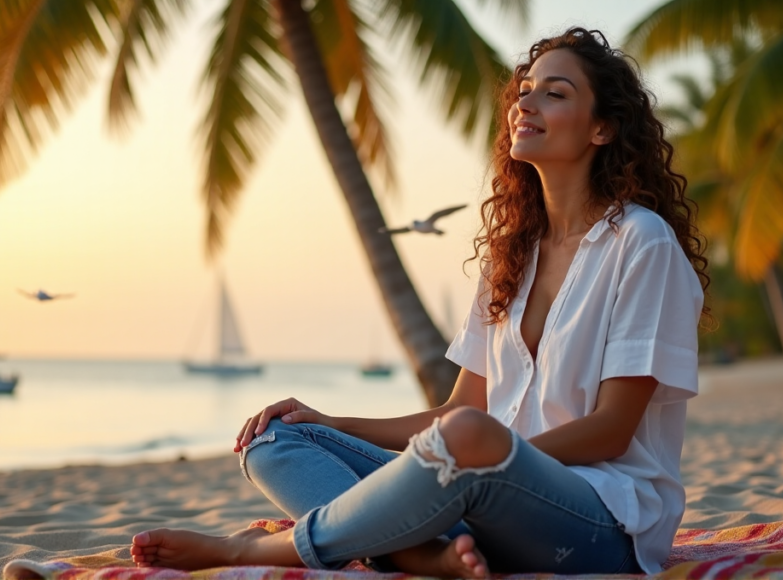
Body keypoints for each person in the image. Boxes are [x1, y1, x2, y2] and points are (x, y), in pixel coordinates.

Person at [130, 27, 709, 577]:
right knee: (275, 439)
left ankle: (261, 550)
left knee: (467, 438)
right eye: (523, 91)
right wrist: (333, 422)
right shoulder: (514, 253)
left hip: (603, 524)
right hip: (478, 490)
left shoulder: (641, 242)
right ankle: (424, 557)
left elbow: (610, 430)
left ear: (601, 129)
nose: (525, 105)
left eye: (554, 94)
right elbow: (457, 411)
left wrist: (483, 460)